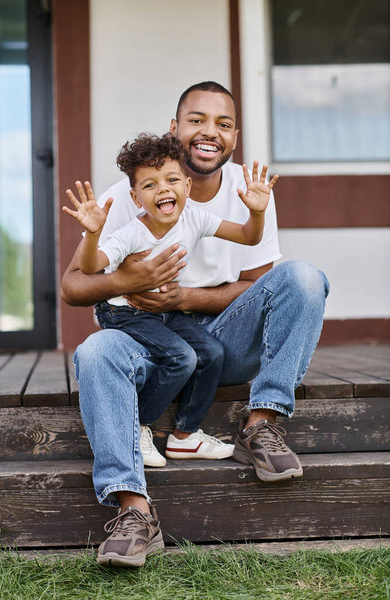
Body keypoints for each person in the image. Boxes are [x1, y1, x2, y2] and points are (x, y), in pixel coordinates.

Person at [61, 81, 329, 567]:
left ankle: (263, 423)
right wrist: (128, 277)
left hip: (220, 340)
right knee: (96, 352)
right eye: (196, 120)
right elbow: (74, 285)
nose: (209, 133)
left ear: (234, 136)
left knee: (305, 278)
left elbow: (259, 281)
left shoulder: (248, 190)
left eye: (223, 124)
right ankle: (133, 510)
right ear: (175, 129)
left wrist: (188, 296)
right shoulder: (129, 194)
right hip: (145, 336)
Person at [62, 133, 278, 467]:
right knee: (182, 358)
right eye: (150, 185)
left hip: (164, 310)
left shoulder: (195, 217)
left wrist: (258, 212)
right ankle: (139, 426)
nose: (163, 189)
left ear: (188, 187)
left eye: (172, 179)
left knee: (212, 353)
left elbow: (249, 236)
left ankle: (185, 437)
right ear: (135, 199)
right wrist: (93, 234)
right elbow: (90, 267)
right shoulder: (131, 233)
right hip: (124, 312)